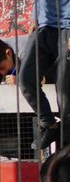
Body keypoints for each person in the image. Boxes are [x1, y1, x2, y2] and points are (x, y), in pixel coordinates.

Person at [17, 1, 70, 149]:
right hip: (44, 27)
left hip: (67, 28)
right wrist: (35, 17)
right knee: (25, 78)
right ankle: (49, 124)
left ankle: (66, 149)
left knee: (64, 91)